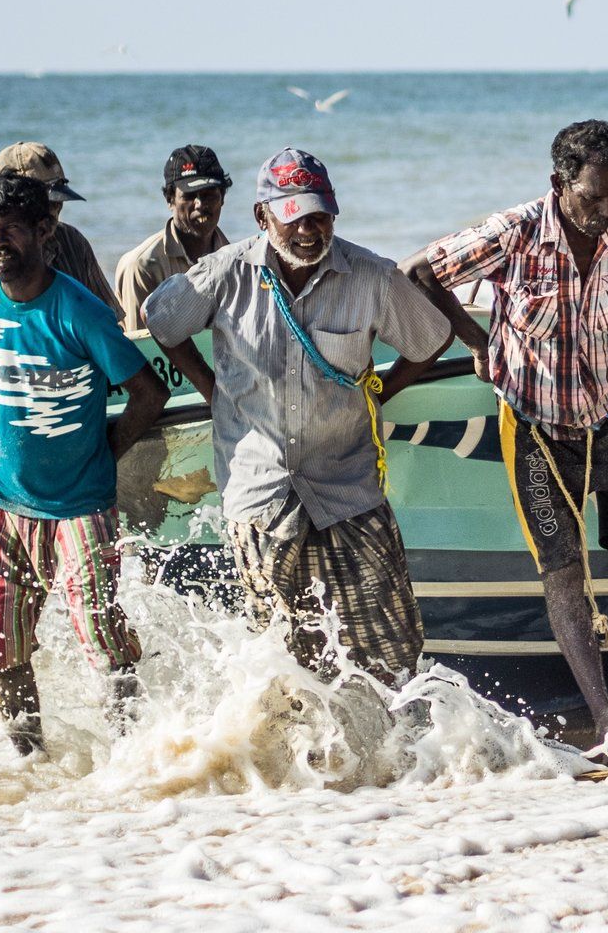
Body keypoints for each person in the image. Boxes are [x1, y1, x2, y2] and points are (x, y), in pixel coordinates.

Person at [402, 120, 608, 765]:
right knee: (562, 573)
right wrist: (477, 341)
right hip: (532, 425)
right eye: (593, 197)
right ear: (558, 183)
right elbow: (417, 272)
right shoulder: (515, 232)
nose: (607, 211)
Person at [144, 149, 452, 686]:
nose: (310, 230)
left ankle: (395, 739)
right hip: (260, 492)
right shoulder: (225, 273)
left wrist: (380, 393)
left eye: (320, 216)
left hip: (349, 486)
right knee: (280, 657)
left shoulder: (372, 276)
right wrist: (211, 389)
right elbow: (161, 321)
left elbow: (431, 339)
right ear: (262, 217)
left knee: (392, 648)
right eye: (295, 218)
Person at [0, 173, 168, 754]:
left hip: (80, 506)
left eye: (11, 229)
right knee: (3, 649)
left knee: (104, 643)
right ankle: (31, 763)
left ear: (44, 231)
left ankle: (132, 759)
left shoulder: (80, 311)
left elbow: (149, 393)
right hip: (1, 504)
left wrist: (104, 452)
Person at [0, 142, 121, 633]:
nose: (56, 213)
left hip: (61, 399)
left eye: (58, 204)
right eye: (48, 201)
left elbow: (109, 317)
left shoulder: (72, 242)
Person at [115, 145, 234, 331]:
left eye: (209, 195)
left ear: (222, 197)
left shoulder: (236, 260)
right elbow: (140, 343)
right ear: (170, 199)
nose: (200, 204)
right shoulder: (142, 266)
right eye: (189, 196)